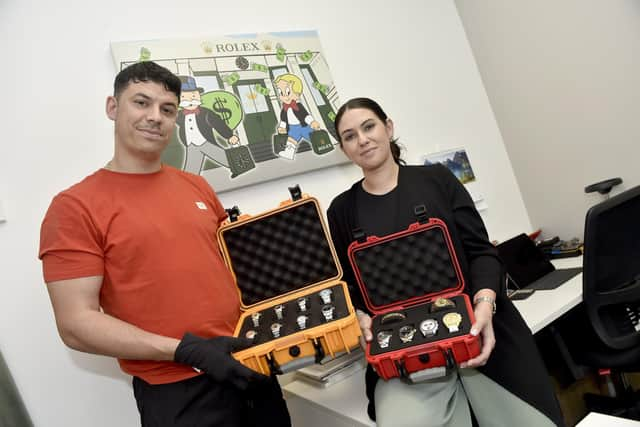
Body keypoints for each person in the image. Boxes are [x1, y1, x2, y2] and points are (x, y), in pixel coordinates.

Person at [38, 61, 291, 427]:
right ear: (113, 107)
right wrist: (187, 350)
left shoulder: (196, 186)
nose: (155, 117)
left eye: (167, 109)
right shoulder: (74, 206)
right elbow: (75, 324)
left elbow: (233, 271)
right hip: (178, 394)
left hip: (248, 364)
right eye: (141, 103)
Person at [326, 97, 565, 427]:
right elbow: (350, 288)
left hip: (480, 329)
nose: (362, 139)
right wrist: (360, 316)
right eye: (350, 135)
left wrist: (484, 304)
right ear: (344, 148)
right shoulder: (342, 210)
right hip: (403, 351)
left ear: (388, 127)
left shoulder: (438, 179)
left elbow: (482, 252)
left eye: (369, 127)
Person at [274, 73, 321, 160]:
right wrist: (282, 127)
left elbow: (305, 115)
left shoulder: (298, 106)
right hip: (292, 128)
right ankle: (289, 153)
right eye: (281, 92)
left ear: (297, 93)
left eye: (288, 92)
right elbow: (283, 120)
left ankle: (321, 145)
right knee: (291, 140)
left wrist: (312, 122)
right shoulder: (284, 109)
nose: (284, 96)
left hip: (304, 126)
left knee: (313, 137)